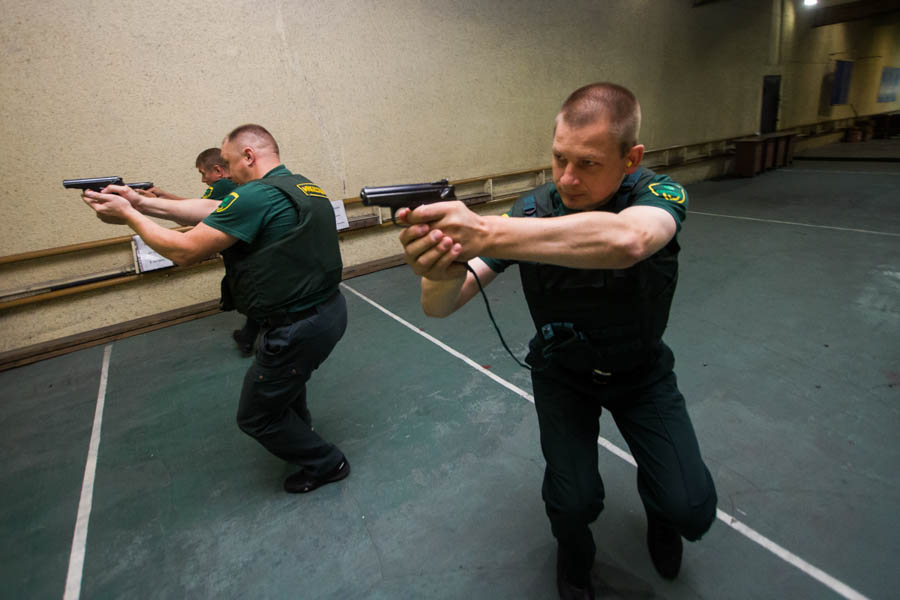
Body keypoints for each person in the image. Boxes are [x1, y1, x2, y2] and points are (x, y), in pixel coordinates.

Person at [397, 83, 717, 599]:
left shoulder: (658, 195)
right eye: (559, 158)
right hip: (563, 375)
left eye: (588, 163)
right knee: (572, 502)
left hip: (641, 372)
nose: (567, 178)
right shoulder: (531, 211)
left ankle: (661, 512)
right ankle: (575, 556)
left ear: (630, 158)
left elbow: (628, 240)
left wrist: (487, 232)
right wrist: (435, 266)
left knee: (690, 509)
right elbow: (441, 305)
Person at [82, 124, 350, 494]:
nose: (226, 170)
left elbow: (184, 251)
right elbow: (213, 207)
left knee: (256, 416)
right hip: (326, 311)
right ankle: (301, 438)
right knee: (287, 387)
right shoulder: (300, 184)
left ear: (249, 157)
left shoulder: (257, 195)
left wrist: (130, 216)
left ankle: (326, 462)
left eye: (227, 161)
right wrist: (141, 201)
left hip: (296, 327)